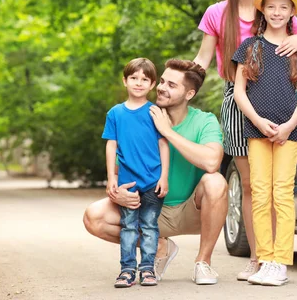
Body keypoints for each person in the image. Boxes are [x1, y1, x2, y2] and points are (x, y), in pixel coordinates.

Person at [193, 0, 297, 280]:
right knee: (253, 185)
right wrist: (181, 84)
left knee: (276, 188)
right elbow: (203, 59)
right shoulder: (219, 13)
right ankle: (260, 254)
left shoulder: (281, 9)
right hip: (241, 98)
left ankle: (267, 259)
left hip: (281, 106)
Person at [83, 59, 227, 285]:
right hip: (148, 206)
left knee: (215, 182)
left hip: (193, 211)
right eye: (161, 81)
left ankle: (203, 262)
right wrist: (117, 191)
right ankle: (160, 246)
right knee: (94, 217)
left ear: (189, 94)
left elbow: (212, 162)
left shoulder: (204, 120)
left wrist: (167, 132)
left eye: (171, 85)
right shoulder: (140, 115)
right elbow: (124, 160)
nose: (161, 87)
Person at [232, 0, 297, 286]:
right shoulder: (249, 48)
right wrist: (257, 120)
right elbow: (240, 92)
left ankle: (280, 262)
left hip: (288, 132)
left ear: (292, 12)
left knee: (282, 193)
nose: (277, 12)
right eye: (272, 7)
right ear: (263, 10)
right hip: (256, 130)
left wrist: (289, 125)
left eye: (284, 7)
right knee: (260, 193)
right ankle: (265, 259)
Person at [102, 58, 170, 288]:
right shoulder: (115, 113)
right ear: (125, 81)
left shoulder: (156, 111)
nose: (138, 83)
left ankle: (148, 269)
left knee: (149, 226)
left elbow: (164, 145)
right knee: (129, 226)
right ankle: (127, 269)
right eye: (134, 78)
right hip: (126, 183)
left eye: (144, 79)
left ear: (152, 85)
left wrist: (164, 177)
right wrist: (111, 177)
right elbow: (111, 145)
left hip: (152, 181)